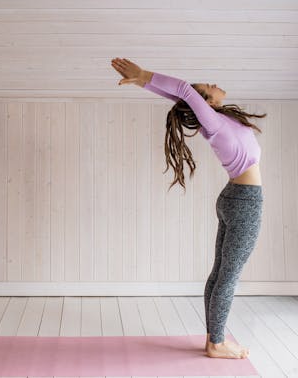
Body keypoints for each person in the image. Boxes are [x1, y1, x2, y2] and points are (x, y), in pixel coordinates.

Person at [111, 57, 266, 359]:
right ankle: (217, 343)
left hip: (234, 198)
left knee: (220, 274)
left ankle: (214, 339)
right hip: (244, 203)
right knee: (227, 277)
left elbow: (182, 96)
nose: (214, 84)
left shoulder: (218, 122)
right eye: (209, 87)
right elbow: (184, 89)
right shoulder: (214, 122)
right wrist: (143, 74)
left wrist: (144, 82)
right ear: (206, 102)